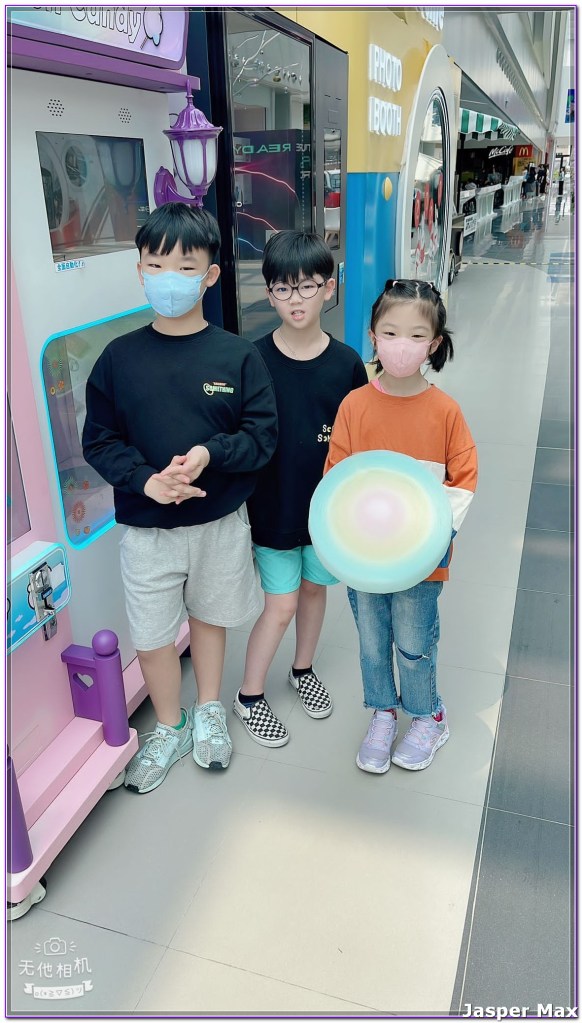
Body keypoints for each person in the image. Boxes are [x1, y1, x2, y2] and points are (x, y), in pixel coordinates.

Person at [82, 203, 278, 792]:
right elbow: (100, 440)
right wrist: (146, 480)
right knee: (151, 635)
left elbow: (261, 437)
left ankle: (210, 708)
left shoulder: (237, 356)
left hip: (218, 522)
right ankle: (170, 726)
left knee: (210, 617)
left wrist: (210, 454)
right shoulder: (118, 359)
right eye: (156, 264)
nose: (170, 277)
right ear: (140, 269)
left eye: (185, 266)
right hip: (146, 528)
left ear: (210, 274)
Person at [324, 278, 477, 774]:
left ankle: (428, 715)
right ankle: (383, 712)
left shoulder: (445, 411)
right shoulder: (354, 406)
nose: (401, 345)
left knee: (413, 643)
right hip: (365, 557)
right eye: (390, 333)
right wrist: (342, 539)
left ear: (433, 343)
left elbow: (463, 480)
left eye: (416, 335)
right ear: (373, 336)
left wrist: (437, 539)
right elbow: (336, 478)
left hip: (421, 559)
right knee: (372, 642)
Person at [234, 231, 368, 747]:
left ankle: (302, 669)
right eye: (284, 288)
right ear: (268, 293)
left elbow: (358, 437)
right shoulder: (251, 360)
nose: (296, 299)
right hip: (273, 507)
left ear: (329, 288)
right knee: (282, 604)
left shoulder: (346, 363)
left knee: (315, 589)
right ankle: (249, 695)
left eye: (308, 286)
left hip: (325, 510)